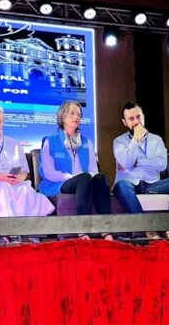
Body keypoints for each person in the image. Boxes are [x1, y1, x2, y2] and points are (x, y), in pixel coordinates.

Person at [112, 101, 169, 240]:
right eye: (131, 119)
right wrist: (135, 140)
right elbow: (127, 162)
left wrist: (138, 162)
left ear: (143, 116)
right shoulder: (119, 141)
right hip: (128, 184)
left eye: (138, 117)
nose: (136, 121)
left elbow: (162, 164)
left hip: (151, 183)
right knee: (122, 185)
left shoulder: (156, 140)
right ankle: (148, 229)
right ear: (124, 122)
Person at [37, 100, 112, 237]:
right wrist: (71, 178)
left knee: (101, 178)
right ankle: (82, 229)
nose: (76, 117)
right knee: (83, 178)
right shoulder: (50, 141)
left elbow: (93, 170)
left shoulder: (86, 142)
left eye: (79, 114)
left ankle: (105, 228)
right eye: (72, 113)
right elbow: (48, 173)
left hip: (84, 180)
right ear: (62, 116)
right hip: (59, 183)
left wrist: (89, 177)